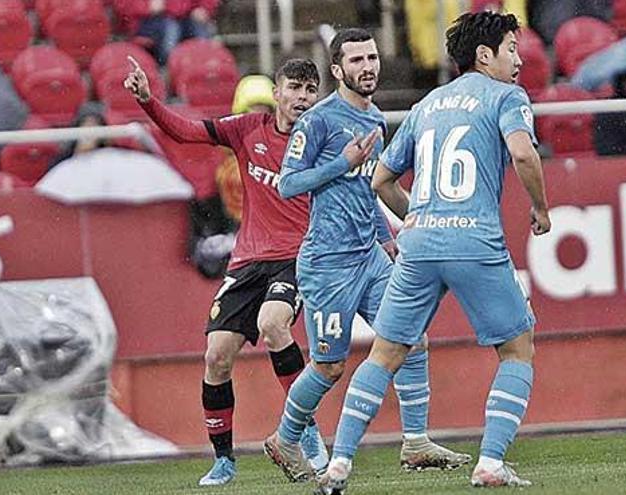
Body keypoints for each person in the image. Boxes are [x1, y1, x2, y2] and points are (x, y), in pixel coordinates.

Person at [317, 11, 551, 493]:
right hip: (474, 239)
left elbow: (381, 177)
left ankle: (338, 465)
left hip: (419, 242)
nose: (519, 59)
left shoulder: (427, 104)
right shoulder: (507, 96)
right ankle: (489, 463)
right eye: (511, 48)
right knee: (517, 348)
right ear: (484, 55)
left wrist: (416, 217)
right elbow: (524, 153)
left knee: (384, 353)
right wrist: (541, 209)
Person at [265, 27, 471, 483]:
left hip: (370, 255)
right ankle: (285, 437)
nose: (368, 67)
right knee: (329, 366)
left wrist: (388, 237)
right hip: (327, 265)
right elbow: (288, 184)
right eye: (356, 60)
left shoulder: (376, 119)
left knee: (411, 338)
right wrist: (343, 162)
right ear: (337, 70)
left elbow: (366, 190)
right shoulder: (317, 120)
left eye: (372, 58)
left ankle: (415, 442)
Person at [123, 57, 328, 486]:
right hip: (248, 261)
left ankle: (304, 429)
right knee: (216, 355)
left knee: (273, 324)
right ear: (278, 92)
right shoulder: (246, 129)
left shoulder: (325, 138)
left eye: (310, 90)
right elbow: (186, 132)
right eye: (294, 88)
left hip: (296, 257)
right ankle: (224, 461)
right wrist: (148, 101)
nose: (302, 98)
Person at [114, 0, 219, 65]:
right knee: (170, 36)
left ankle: (203, 73)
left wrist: (204, 8)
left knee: (202, 39)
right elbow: (122, 6)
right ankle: (169, 73)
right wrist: (146, 6)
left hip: (185, 17)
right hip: (149, 21)